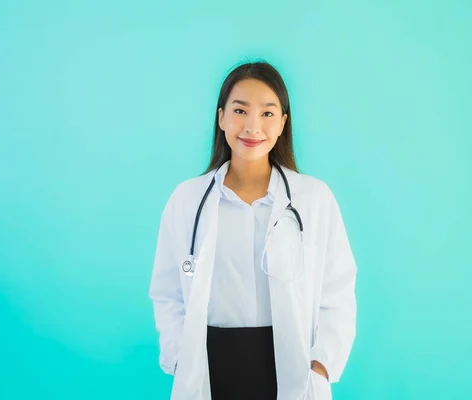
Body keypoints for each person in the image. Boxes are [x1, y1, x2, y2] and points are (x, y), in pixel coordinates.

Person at [148, 60, 357, 400]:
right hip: (208, 366)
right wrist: (178, 357)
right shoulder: (187, 200)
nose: (252, 126)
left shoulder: (314, 198)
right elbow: (167, 290)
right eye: (240, 111)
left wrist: (321, 366)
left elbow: (339, 291)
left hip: (290, 367)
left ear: (283, 124)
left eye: (267, 113)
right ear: (221, 118)